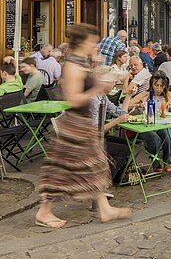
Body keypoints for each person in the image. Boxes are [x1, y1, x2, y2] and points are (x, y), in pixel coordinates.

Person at [36, 23, 131, 228]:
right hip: (74, 125)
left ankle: (104, 209)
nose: (94, 45)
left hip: (83, 123)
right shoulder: (71, 65)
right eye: (92, 41)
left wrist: (99, 79)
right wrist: (96, 87)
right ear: (82, 42)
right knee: (61, 169)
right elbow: (74, 98)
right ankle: (43, 212)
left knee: (96, 165)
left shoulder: (82, 62)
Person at [123, 72, 171, 172]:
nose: (158, 88)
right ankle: (155, 162)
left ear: (165, 86)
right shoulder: (146, 94)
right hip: (147, 124)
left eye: (161, 86)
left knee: (167, 134)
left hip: (162, 124)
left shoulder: (169, 95)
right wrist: (138, 105)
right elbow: (126, 106)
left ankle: (167, 161)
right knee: (154, 138)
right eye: (156, 85)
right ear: (151, 84)